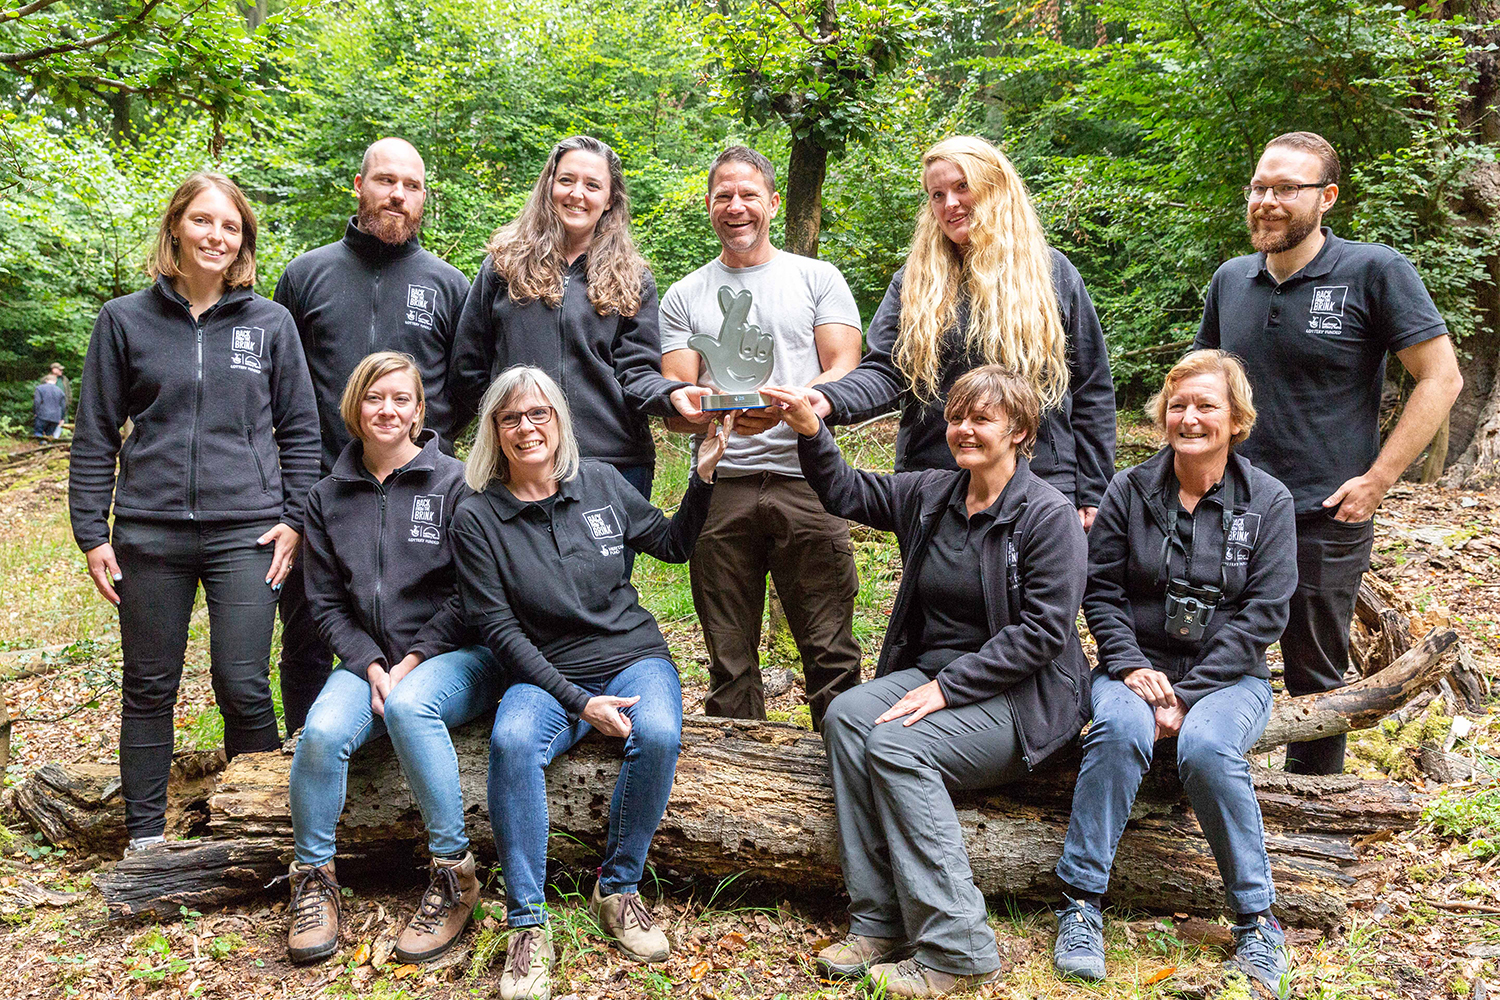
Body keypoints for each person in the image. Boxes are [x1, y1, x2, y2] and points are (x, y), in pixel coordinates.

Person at [763, 366, 1090, 999]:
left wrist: (948, 689)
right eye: (956, 416)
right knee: (848, 717)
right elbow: (846, 492)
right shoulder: (934, 495)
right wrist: (811, 430)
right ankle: (879, 921)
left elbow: (1044, 634)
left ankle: (958, 948)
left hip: (1024, 696)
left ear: (1020, 431)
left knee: (896, 746)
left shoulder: (1046, 517)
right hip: (939, 675)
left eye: (981, 419)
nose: (963, 429)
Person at [449, 366, 728, 1000]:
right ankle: (526, 924)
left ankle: (619, 886)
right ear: (495, 430)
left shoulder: (599, 481)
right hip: (543, 670)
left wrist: (703, 473)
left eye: (539, 414)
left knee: (657, 732)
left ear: (559, 421)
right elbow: (498, 631)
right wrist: (580, 702)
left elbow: (674, 544)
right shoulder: (478, 516)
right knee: (513, 743)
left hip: (632, 655)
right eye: (512, 417)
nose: (527, 428)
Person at [1194, 131, 1463, 775]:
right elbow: (1203, 383)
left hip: (1327, 511)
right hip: (1230, 505)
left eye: (1288, 188)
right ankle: (1214, 791)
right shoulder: (1231, 280)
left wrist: (1378, 480)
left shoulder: (1374, 272)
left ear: (1328, 198)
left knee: (1316, 675)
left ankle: (1314, 809)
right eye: (1260, 187)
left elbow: (1441, 377)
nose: (1268, 200)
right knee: (1217, 654)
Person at [68, 172, 320, 854]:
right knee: (149, 686)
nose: (216, 235)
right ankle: (146, 840)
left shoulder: (270, 323)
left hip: (248, 531)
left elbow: (301, 431)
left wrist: (295, 520)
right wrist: (92, 531)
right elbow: (96, 432)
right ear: (177, 226)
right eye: (204, 221)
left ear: (243, 241)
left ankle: (262, 831)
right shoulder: (124, 320)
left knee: (242, 682)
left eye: (230, 226)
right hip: (148, 534)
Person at [1050, 351, 1298, 998]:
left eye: (1206, 405)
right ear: (1163, 415)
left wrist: (1186, 696)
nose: (1190, 418)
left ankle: (1256, 923)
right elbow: (1099, 592)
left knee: (1210, 747)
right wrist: (1130, 667)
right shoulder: (1128, 490)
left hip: (1230, 678)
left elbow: (1263, 617)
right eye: (1178, 405)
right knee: (1115, 730)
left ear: (1237, 419)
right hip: (1135, 669)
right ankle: (1080, 906)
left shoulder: (1269, 501)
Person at [282, 352, 501, 966]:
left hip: (457, 654)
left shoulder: (456, 483)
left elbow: (470, 593)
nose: (388, 410)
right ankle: (313, 881)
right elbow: (325, 604)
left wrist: (407, 664)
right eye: (375, 397)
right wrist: (373, 665)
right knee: (321, 732)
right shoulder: (326, 498)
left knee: (407, 705)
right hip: (367, 663)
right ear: (355, 407)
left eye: (401, 398)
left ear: (418, 410)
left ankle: (454, 876)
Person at [801, 135, 1115, 530]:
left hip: (1042, 480)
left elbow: (1092, 389)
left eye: (961, 187)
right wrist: (827, 398)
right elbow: (886, 371)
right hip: (936, 482)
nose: (949, 204)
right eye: (936, 194)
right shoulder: (914, 282)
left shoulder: (1052, 274)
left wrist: (1093, 491)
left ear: (994, 188)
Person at [272, 137, 472, 735]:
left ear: (423, 199)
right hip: (322, 491)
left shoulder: (446, 284)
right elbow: (281, 390)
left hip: (420, 490)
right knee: (308, 632)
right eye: (386, 181)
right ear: (359, 186)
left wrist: (424, 459)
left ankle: (412, 758)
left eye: (411, 186)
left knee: (426, 629)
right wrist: (297, 492)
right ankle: (304, 756)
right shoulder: (307, 276)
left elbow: (463, 390)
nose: (397, 195)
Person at [659, 145, 864, 728]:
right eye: (723, 195)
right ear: (708, 206)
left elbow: (845, 368)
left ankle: (846, 773)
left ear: (773, 202)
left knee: (831, 651)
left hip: (810, 481)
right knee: (728, 659)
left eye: (749, 194)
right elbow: (677, 401)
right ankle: (737, 795)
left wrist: (788, 407)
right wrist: (714, 413)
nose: (736, 206)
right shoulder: (684, 296)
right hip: (722, 485)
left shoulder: (816, 278)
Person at [449, 135, 704, 504]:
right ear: (549, 184)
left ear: (610, 199)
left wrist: (672, 394)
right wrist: (498, 435)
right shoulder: (502, 266)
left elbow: (636, 372)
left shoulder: (633, 277)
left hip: (613, 464)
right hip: (519, 465)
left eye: (592, 185)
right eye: (566, 180)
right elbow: (468, 368)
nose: (577, 194)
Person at [32, 371, 65, 439]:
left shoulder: (39, 388)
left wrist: (35, 412)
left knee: (38, 432)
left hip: (42, 415)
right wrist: (62, 418)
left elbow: (37, 401)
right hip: (55, 417)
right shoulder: (60, 391)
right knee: (49, 435)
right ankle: (48, 446)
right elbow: (63, 406)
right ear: (55, 381)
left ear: (46, 380)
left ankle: (41, 444)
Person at [49, 362, 71, 436]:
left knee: (65, 420)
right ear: (54, 370)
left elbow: (68, 392)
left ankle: (65, 436)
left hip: (64, 404)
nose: (61, 371)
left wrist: (68, 402)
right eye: (60, 370)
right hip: (52, 405)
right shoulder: (47, 379)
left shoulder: (64, 379)